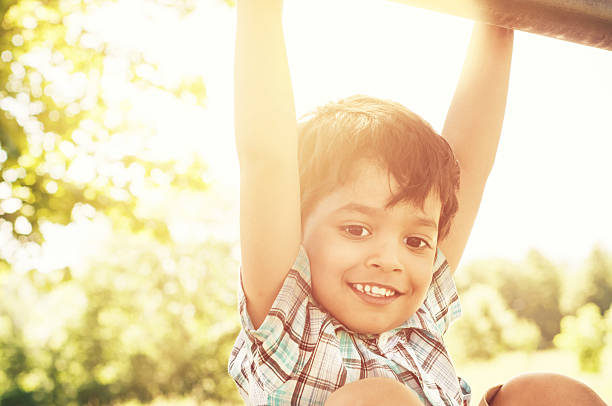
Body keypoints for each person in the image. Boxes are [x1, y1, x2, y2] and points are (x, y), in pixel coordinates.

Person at [228, 1, 609, 405]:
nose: (390, 259)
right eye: (357, 230)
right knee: (377, 398)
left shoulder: (418, 312)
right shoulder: (288, 319)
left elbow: (470, 167)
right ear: (297, 226)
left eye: (415, 241)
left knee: (541, 392)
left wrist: (501, 17)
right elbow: (267, 159)